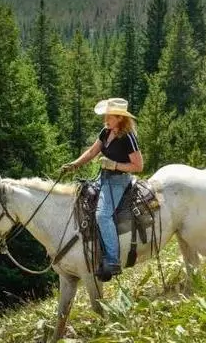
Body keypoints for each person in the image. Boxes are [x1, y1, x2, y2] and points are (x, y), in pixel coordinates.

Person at [60, 98, 144, 279]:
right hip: (103, 178)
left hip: (119, 181)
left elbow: (138, 166)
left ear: (120, 118)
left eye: (109, 116)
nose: (105, 119)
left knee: (102, 215)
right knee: (80, 199)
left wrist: (114, 165)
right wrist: (74, 165)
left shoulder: (128, 137)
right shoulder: (106, 132)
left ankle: (113, 260)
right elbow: (92, 152)